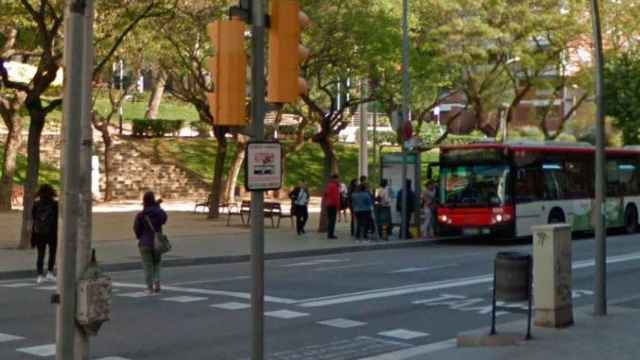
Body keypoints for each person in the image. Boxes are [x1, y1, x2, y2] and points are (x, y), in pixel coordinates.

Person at [133, 191, 168, 294]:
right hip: (157, 242)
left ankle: (149, 287)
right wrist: (157, 207)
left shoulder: (141, 214)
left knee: (148, 266)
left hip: (144, 242)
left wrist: (140, 237)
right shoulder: (159, 212)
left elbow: (136, 228)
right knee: (157, 263)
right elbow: (164, 219)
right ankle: (157, 281)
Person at [31, 184, 58, 284]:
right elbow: (57, 219)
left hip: (39, 233)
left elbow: (33, 218)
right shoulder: (55, 204)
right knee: (52, 253)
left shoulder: (36, 204)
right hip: (52, 232)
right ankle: (50, 273)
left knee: (40, 254)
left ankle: (39, 275)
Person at [323, 174, 341, 239]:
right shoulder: (334, 186)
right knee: (332, 220)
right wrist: (338, 205)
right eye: (338, 179)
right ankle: (331, 234)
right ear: (334, 179)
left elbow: (325, 194)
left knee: (330, 219)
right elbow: (336, 197)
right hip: (333, 204)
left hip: (329, 204)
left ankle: (329, 233)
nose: (338, 180)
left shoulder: (328, 185)